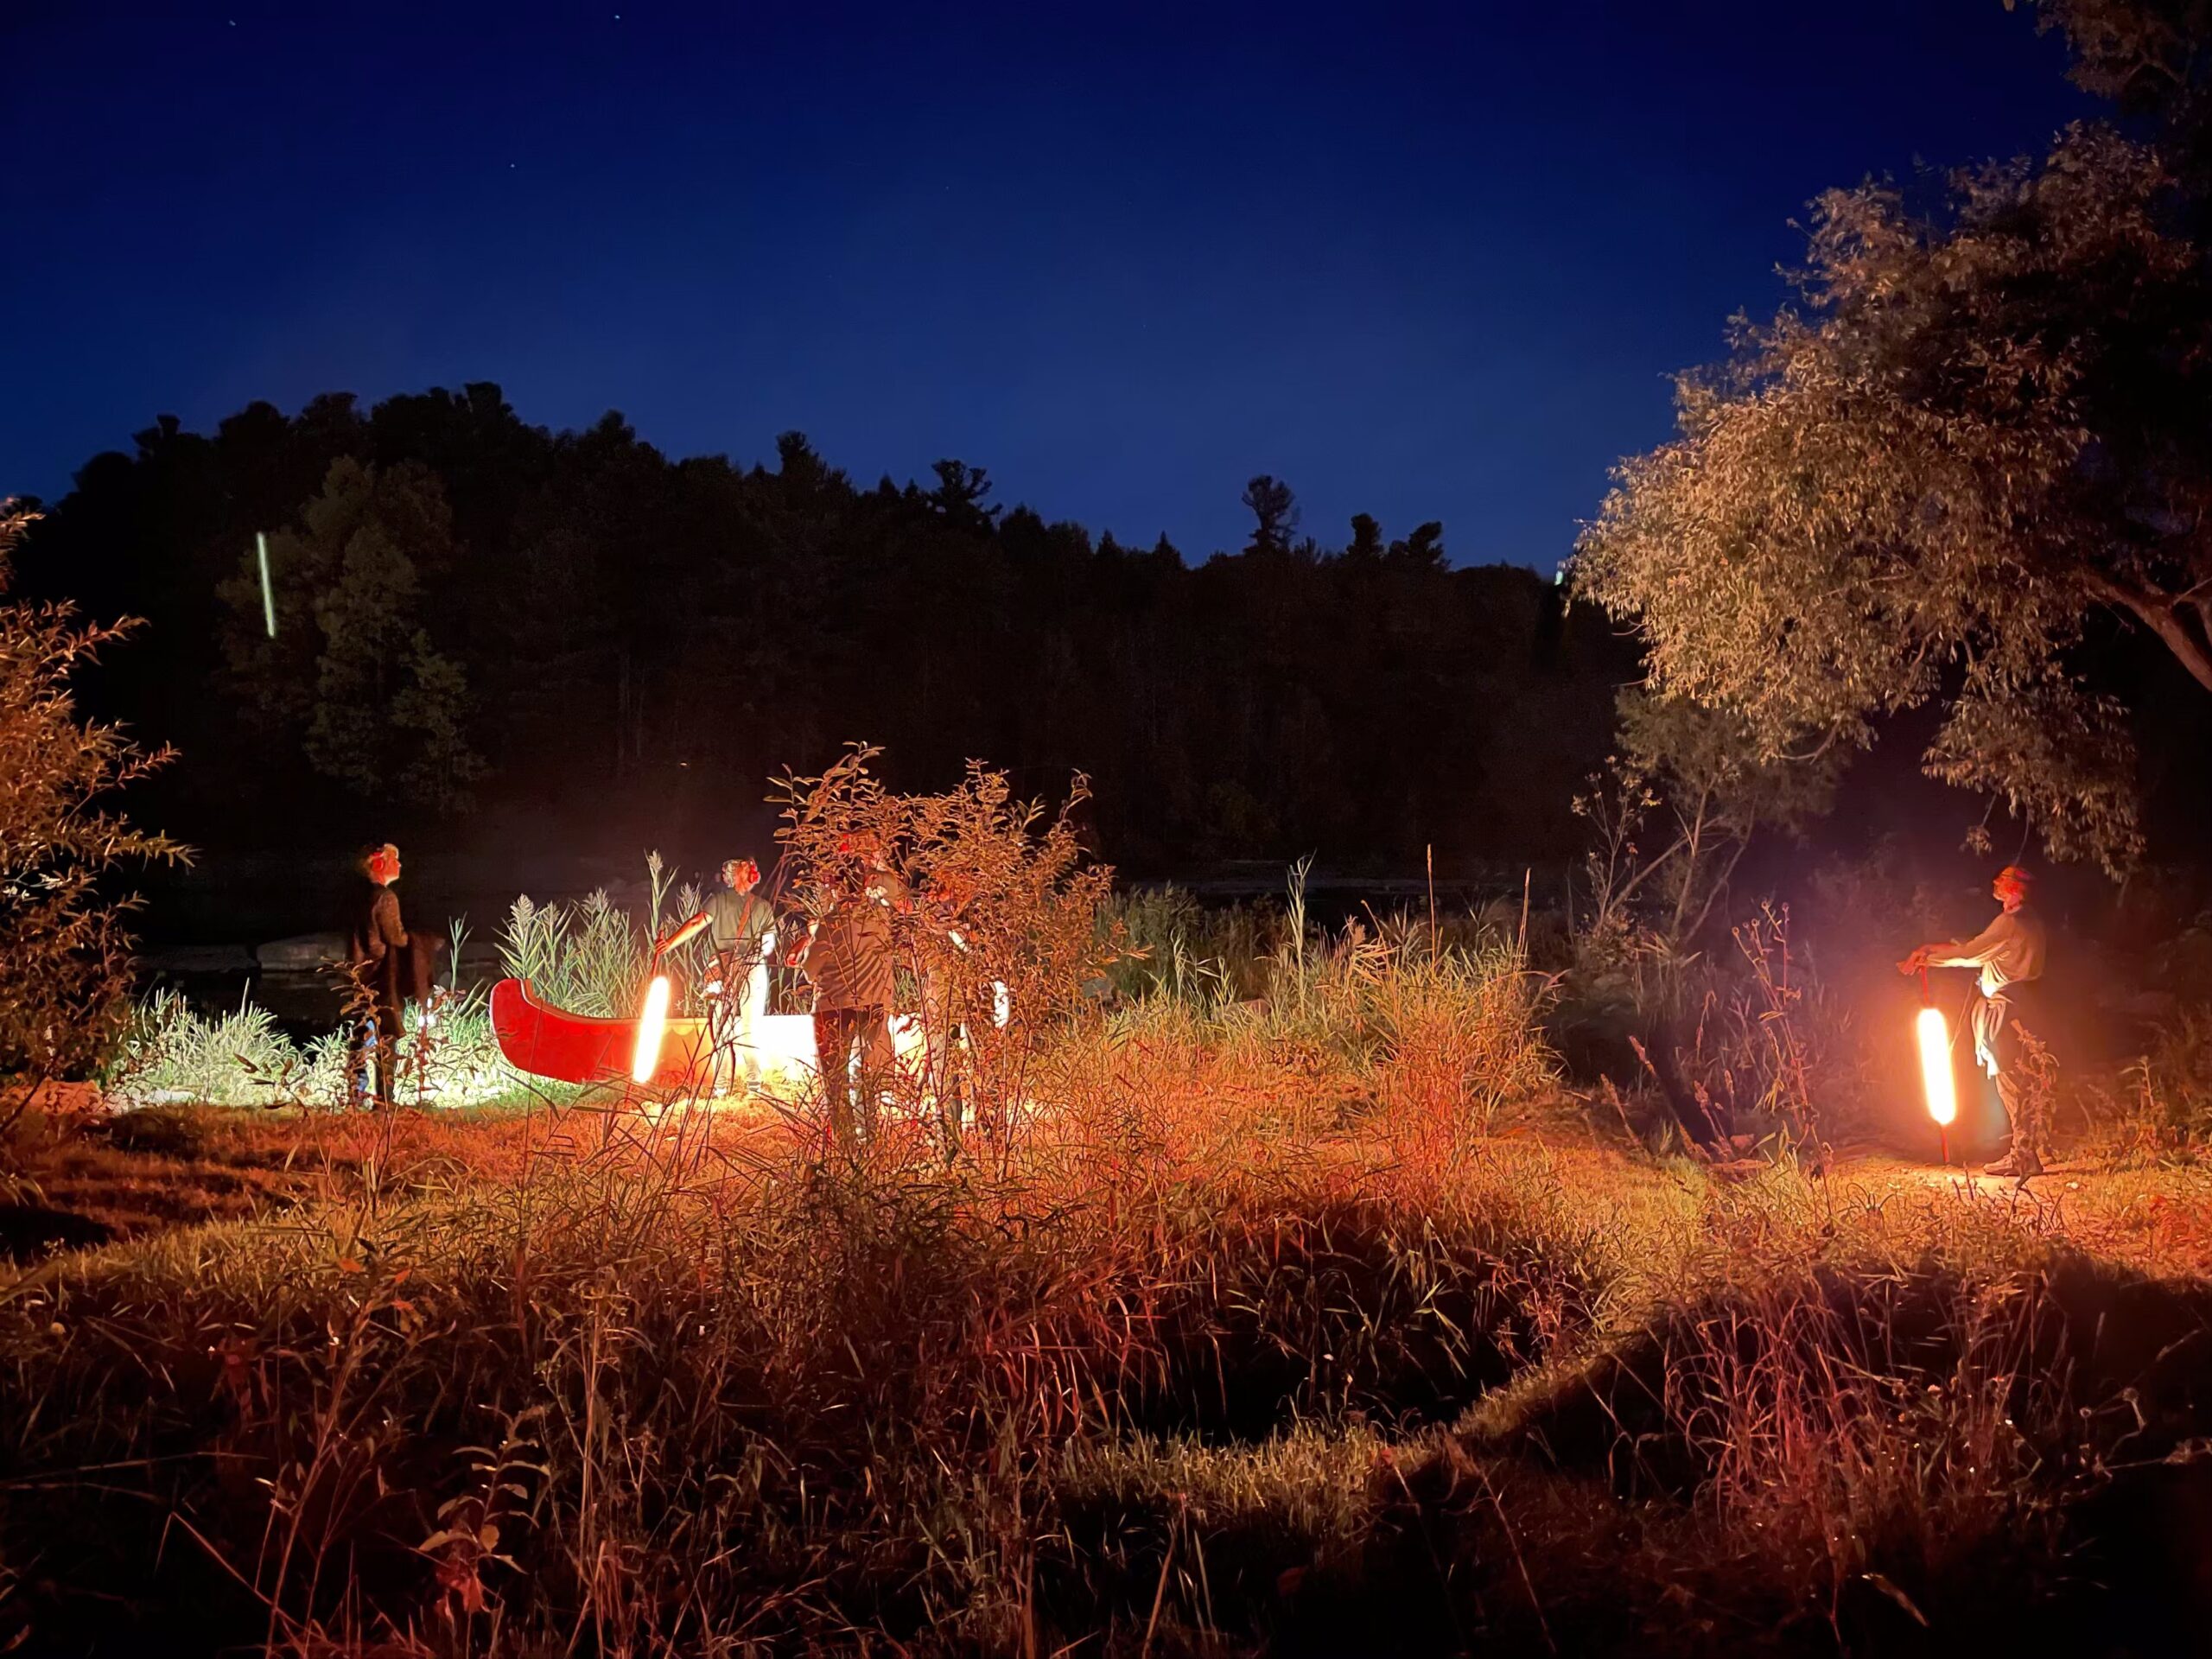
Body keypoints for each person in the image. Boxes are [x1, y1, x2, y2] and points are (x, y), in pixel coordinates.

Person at [1899, 865, 2051, 1178]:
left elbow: (1971, 954)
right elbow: (1980, 947)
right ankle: (2026, 1152)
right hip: (2022, 1003)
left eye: (2003, 883)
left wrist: (1927, 959)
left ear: (2013, 890)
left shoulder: (2010, 923)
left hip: (2006, 1008)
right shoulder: (2029, 921)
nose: (1996, 885)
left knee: (2010, 1079)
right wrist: (1931, 949)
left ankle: (2023, 1156)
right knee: (2016, 1078)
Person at [788, 839, 908, 1147]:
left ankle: (844, 1144)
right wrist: (876, 859)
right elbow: (894, 886)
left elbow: (810, 970)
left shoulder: (831, 922)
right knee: (866, 1075)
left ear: (839, 888)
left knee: (836, 1080)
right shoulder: (881, 920)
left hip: (832, 1006)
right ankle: (869, 1139)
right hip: (873, 1004)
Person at [701, 858, 779, 1092]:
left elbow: (698, 922)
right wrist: (751, 955)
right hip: (753, 968)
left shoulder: (716, 901)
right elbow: (769, 944)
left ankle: (721, 1087)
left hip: (721, 967)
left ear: (730, 876)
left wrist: (671, 943)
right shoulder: (763, 906)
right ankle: (753, 1084)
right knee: (750, 1027)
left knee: (721, 1027)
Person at [346, 842, 410, 1107]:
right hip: (382, 976)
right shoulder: (386, 898)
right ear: (379, 864)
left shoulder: (359, 897)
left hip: (360, 974)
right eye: (395, 859)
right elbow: (394, 937)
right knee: (387, 1037)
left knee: (361, 1036)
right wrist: (410, 940)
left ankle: (356, 1096)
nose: (400, 864)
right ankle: (385, 1100)